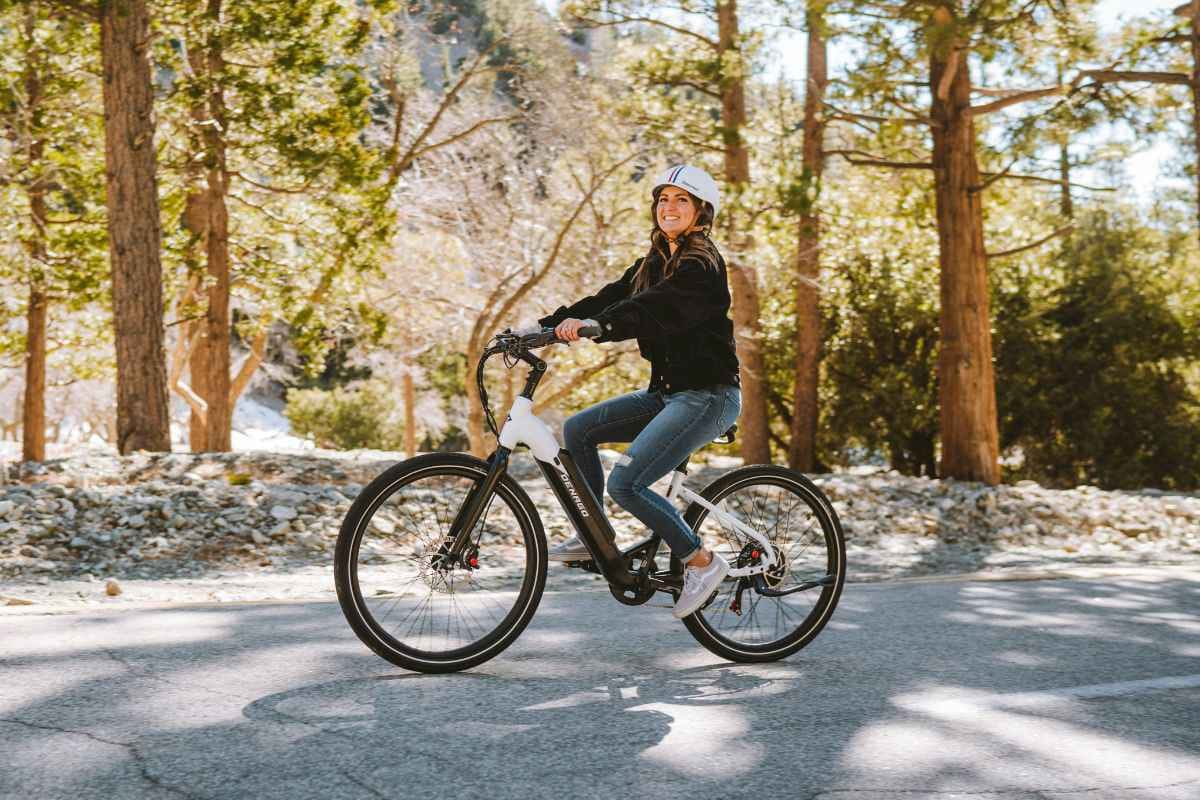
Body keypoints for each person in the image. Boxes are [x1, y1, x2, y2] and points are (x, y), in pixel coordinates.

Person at [536, 164, 742, 619]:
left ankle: (702, 562)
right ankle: (594, 535)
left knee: (626, 484)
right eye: (663, 199)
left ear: (702, 212)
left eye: (682, 200)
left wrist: (602, 327)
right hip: (667, 393)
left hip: (708, 396)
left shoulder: (701, 266)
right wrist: (547, 326)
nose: (669, 207)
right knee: (578, 429)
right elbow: (612, 296)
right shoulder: (655, 260)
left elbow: (652, 308)